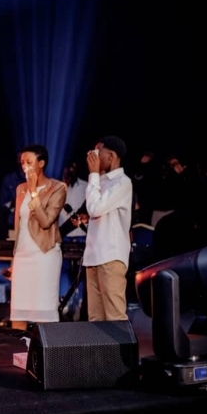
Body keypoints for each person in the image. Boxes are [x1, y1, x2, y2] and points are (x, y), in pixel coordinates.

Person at [9, 145, 66, 333]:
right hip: (22, 255)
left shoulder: (57, 188)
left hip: (44, 254)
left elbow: (46, 221)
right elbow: (18, 225)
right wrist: (14, 259)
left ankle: (47, 349)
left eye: (29, 162)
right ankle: (20, 348)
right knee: (18, 312)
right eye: (22, 163)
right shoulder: (20, 189)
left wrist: (34, 192)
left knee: (44, 311)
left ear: (41, 163)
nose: (24, 166)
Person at [82, 136, 133, 322]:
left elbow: (95, 209)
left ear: (111, 156)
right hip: (93, 256)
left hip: (111, 256)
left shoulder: (122, 182)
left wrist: (93, 175)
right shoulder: (99, 181)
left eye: (97, 152)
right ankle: (100, 345)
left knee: (114, 316)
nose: (92, 156)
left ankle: (121, 344)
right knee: (95, 318)